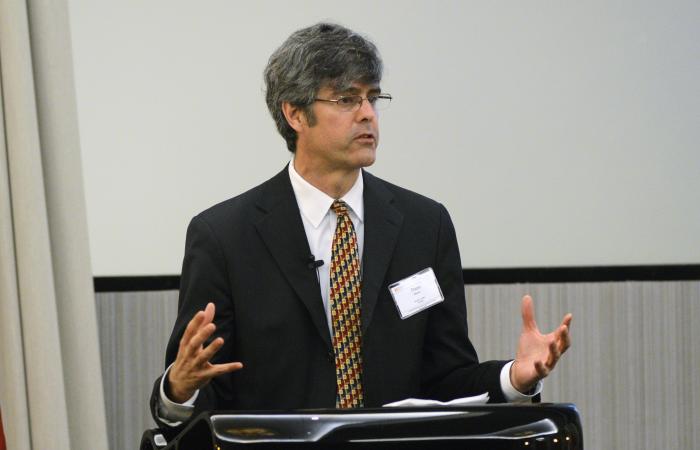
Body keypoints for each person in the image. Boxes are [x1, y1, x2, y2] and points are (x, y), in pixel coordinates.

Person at [150, 22, 572, 435]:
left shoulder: (425, 225)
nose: (368, 114)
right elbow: (200, 401)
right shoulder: (224, 236)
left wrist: (515, 378)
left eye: (373, 98)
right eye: (347, 99)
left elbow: (446, 379)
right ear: (295, 113)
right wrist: (179, 390)